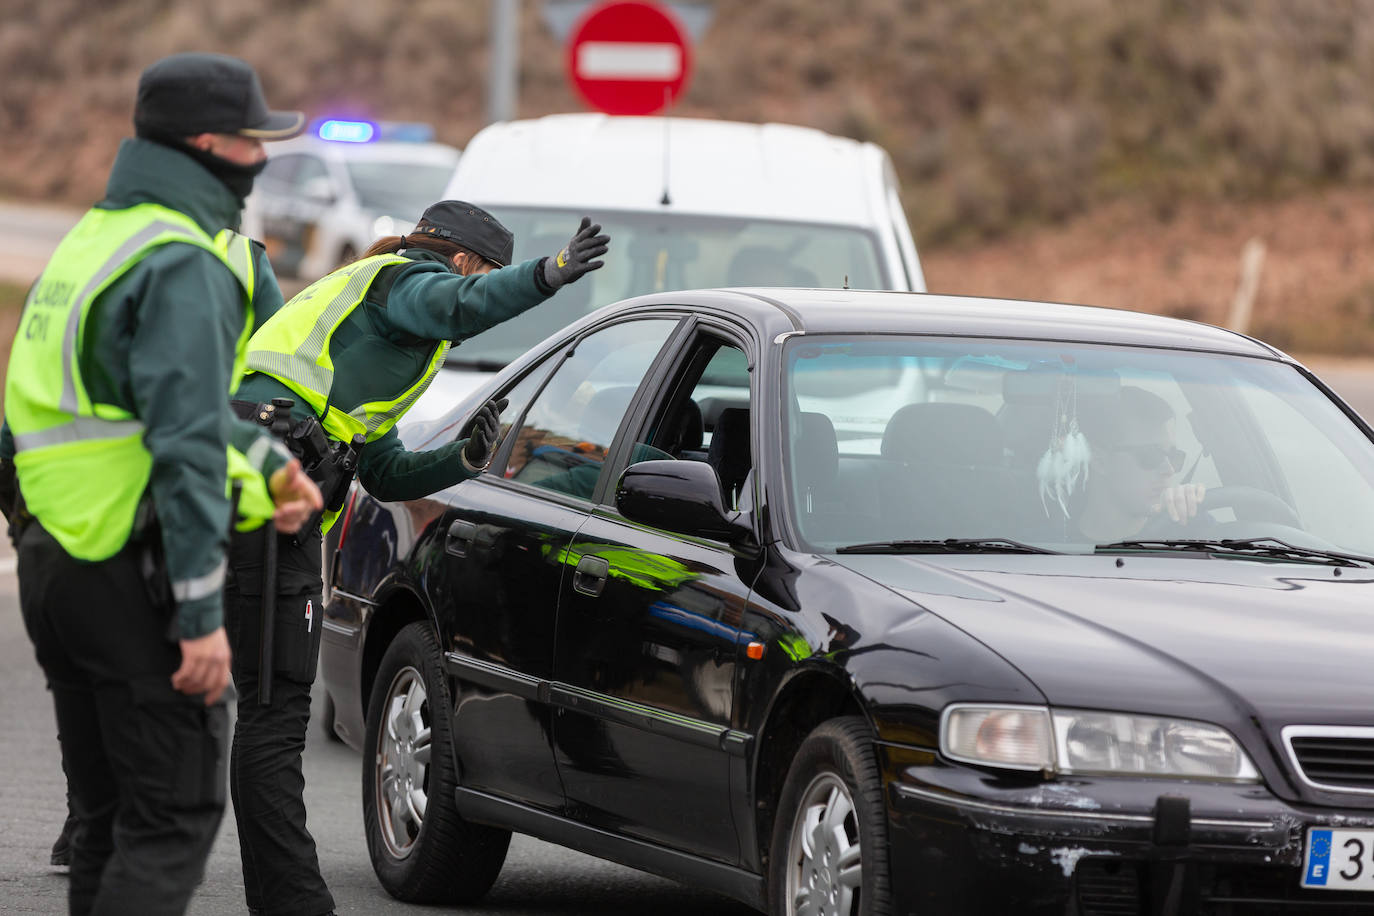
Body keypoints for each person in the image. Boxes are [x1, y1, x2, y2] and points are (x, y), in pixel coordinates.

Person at [0, 51, 323, 915]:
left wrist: (265, 466)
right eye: (255, 143)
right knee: (174, 813)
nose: (261, 163)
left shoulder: (94, 241)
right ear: (209, 144)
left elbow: (118, 413)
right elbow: (181, 447)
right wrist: (199, 618)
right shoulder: (185, 261)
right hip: (127, 565)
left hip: (54, 560)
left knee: (109, 825)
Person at [225, 200, 609, 916]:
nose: (479, 290)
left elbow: (382, 468)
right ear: (465, 262)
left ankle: (279, 895)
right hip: (264, 487)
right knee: (274, 713)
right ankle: (291, 901)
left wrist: (459, 460)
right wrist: (549, 274)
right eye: (486, 275)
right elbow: (461, 304)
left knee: (267, 709)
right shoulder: (403, 283)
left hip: (278, 491)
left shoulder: (385, 333)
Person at [1075, 385, 1206, 543]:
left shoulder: (1195, 537)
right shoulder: (1046, 546)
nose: (1169, 470)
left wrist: (1195, 513)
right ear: (1099, 461)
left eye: (1173, 456)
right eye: (1150, 455)